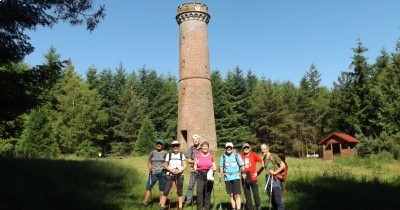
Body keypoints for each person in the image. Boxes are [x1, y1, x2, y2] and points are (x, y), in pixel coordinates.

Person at [160, 140, 187, 210]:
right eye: (174, 146)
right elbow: (165, 165)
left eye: (177, 145)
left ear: (178, 146)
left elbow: (184, 165)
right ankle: (162, 206)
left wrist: (179, 171)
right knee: (166, 190)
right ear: (172, 147)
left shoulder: (182, 155)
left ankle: (180, 206)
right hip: (169, 174)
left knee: (179, 190)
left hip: (180, 174)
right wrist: (171, 170)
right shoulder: (168, 155)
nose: (175, 147)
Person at [259, 144, 286, 210]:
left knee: (278, 201)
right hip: (268, 181)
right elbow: (263, 167)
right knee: (272, 201)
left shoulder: (273, 156)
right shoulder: (264, 158)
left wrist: (275, 172)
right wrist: (257, 173)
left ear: (268, 149)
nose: (263, 151)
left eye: (264, 149)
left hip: (275, 180)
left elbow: (283, 165)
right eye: (261, 149)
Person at [219, 142, 245, 210]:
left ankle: (238, 208)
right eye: (227, 147)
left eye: (230, 147)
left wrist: (243, 172)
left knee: (237, 194)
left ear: (232, 148)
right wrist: (221, 172)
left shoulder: (236, 155)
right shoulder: (223, 156)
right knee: (231, 194)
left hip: (236, 177)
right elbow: (221, 166)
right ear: (226, 148)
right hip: (227, 178)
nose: (229, 148)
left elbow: (241, 165)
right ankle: (233, 208)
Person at [143, 139, 168, 207]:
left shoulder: (165, 153)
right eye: (158, 144)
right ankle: (145, 202)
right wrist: (149, 167)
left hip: (162, 173)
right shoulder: (152, 153)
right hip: (153, 173)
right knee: (148, 186)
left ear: (162, 145)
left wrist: (166, 167)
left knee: (161, 188)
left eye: (160, 144)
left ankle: (161, 203)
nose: (159, 145)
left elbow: (167, 162)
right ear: (156, 145)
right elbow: (149, 161)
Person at [240, 143, 264, 210]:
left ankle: (258, 206)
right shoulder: (240, 156)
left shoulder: (253, 155)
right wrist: (241, 173)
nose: (246, 149)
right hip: (244, 178)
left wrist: (258, 172)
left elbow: (262, 162)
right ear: (242, 149)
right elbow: (238, 166)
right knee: (247, 195)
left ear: (250, 148)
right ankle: (250, 208)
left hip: (253, 177)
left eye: (247, 147)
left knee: (256, 194)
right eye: (244, 148)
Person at [193, 141, 216, 210]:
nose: (205, 148)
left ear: (208, 148)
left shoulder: (211, 156)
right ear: (201, 147)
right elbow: (195, 165)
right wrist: (194, 169)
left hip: (209, 175)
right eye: (203, 146)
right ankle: (199, 208)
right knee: (199, 192)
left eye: (206, 146)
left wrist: (214, 169)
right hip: (200, 175)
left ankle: (207, 208)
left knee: (207, 192)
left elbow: (214, 166)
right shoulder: (197, 155)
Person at [184, 134, 201, 207]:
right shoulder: (191, 149)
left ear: (199, 140)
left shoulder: (203, 147)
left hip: (202, 170)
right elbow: (188, 160)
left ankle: (199, 201)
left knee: (200, 187)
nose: (195, 141)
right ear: (193, 141)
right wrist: (195, 162)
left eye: (197, 139)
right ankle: (188, 201)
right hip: (194, 170)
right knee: (191, 186)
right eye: (194, 140)